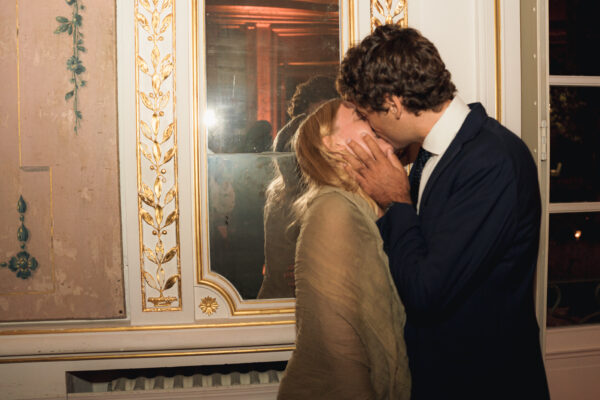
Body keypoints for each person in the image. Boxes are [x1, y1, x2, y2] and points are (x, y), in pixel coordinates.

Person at [337, 25, 550, 399]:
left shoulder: (491, 160)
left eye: (368, 115)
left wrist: (396, 201)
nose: (370, 127)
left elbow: (426, 291)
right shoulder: (434, 153)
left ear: (393, 103)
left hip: (484, 380)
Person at [277, 98, 411, 399]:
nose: (374, 119)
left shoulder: (373, 207)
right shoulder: (332, 210)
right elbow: (339, 348)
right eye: (361, 116)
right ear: (332, 144)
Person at [258, 76, 338, 299]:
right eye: (311, 121)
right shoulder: (281, 191)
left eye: (326, 121)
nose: (317, 132)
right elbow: (278, 270)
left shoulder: (340, 184)